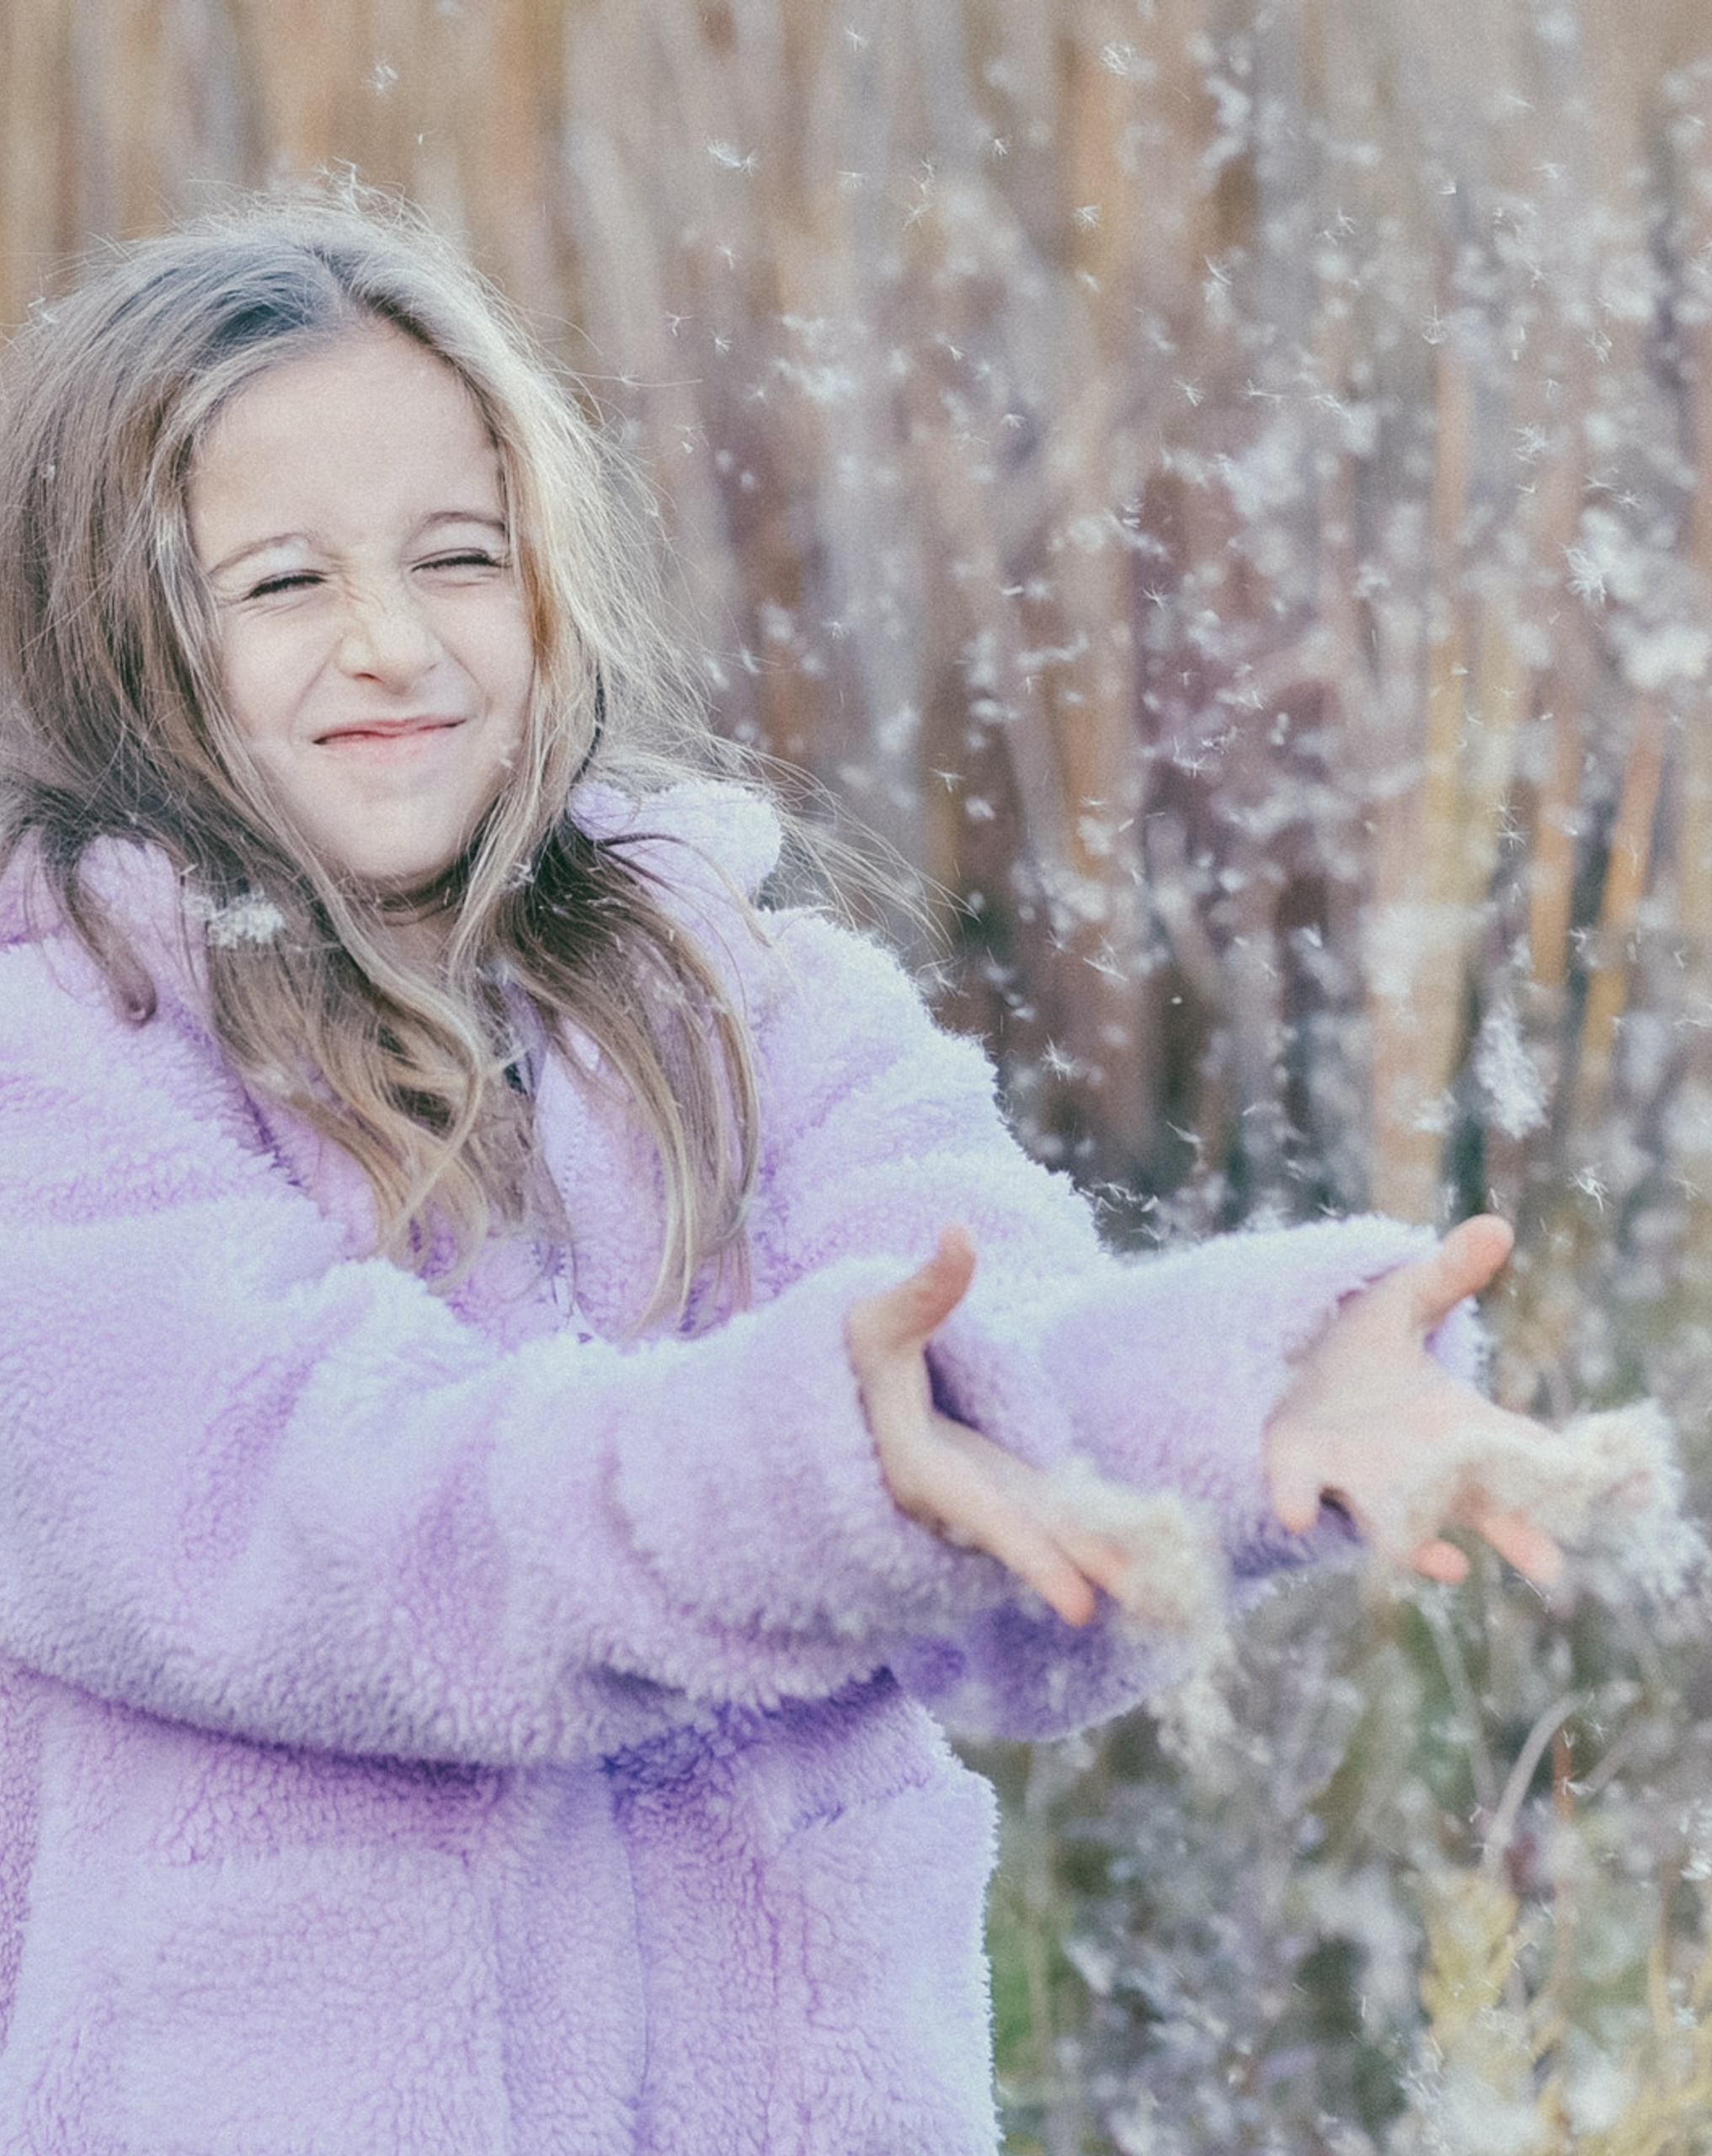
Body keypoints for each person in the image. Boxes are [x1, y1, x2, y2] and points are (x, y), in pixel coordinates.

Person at [0, 194, 1566, 2154]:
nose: (391, 639)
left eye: (458, 556)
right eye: (281, 580)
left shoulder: (741, 995)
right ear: (119, 638)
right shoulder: (62, 1064)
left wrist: (1232, 1401)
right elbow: (346, 1516)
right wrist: (803, 1466)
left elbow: (991, 1354)